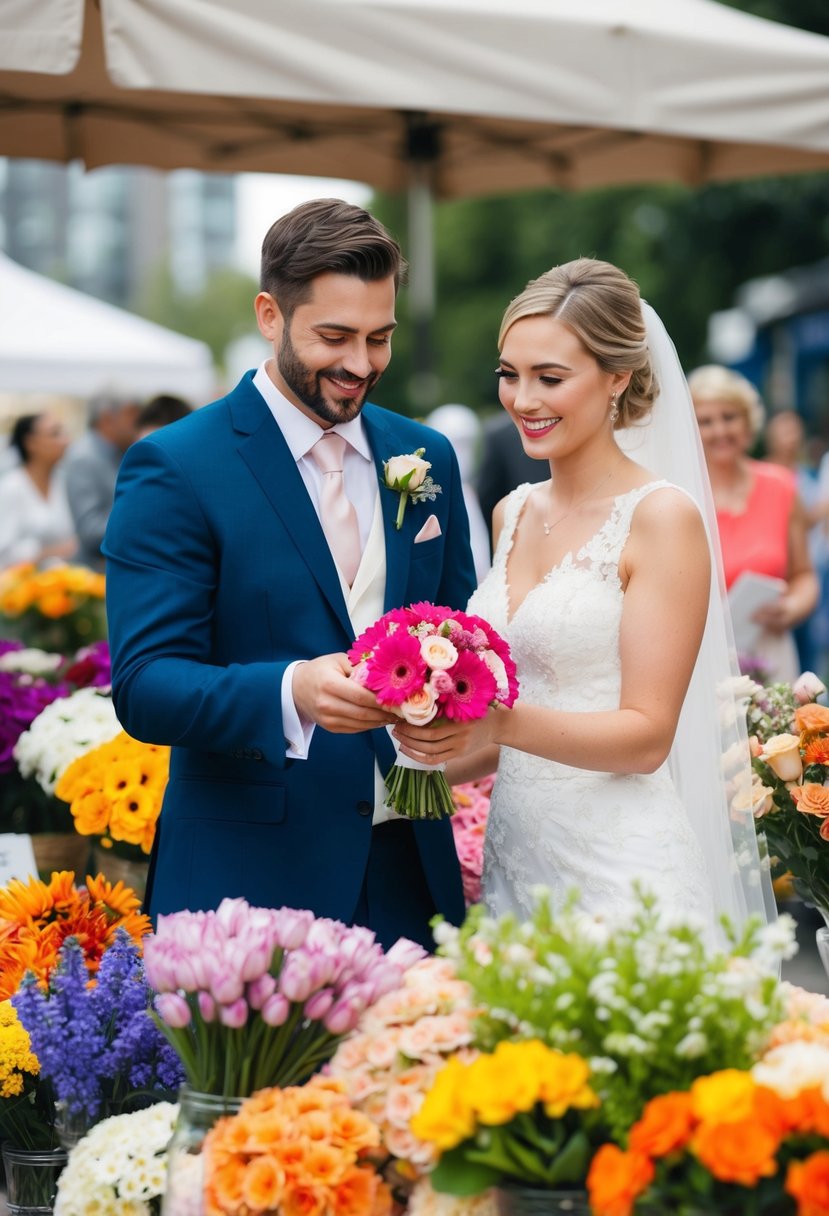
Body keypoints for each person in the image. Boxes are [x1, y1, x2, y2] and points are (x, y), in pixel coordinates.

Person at [103, 198, 476, 951]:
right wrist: (292, 691)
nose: (361, 364)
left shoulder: (425, 455)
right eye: (334, 336)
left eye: (380, 338)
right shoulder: (177, 465)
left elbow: (461, 627)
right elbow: (145, 685)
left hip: (413, 869)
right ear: (270, 316)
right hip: (252, 883)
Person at [394, 257, 772, 936]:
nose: (522, 400)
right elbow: (513, 733)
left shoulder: (661, 517)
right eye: (509, 375)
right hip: (516, 860)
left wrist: (502, 724)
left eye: (550, 378)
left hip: (620, 869)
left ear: (617, 377)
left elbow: (645, 736)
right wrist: (410, 767)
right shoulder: (510, 511)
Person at [689, 367, 818, 684]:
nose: (719, 430)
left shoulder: (781, 486)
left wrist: (790, 608)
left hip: (769, 651)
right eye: (706, 421)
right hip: (701, 657)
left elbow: (804, 575)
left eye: (729, 417)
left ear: (748, 423)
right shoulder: (680, 496)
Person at [764, 408, 829, 675]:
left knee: (811, 643)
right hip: (777, 574)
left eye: (794, 430)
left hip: (813, 568)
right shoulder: (764, 473)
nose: (790, 437)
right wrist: (815, 514)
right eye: (784, 430)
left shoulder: (809, 475)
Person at [63, 391, 141, 571]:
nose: (137, 422)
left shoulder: (118, 452)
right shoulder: (83, 457)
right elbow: (90, 531)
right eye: (131, 415)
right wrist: (143, 520)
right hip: (96, 576)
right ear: (107, 419)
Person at [0, 412, 76, 569]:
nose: (65, 441)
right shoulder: (11, 487)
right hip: (18, 587)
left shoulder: (64, 481)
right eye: (54, 434)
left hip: (60, 585)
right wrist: (49, 552)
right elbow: (4, 551)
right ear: (30, 442)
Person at [424, 402, 490, 581]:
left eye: (466, 443)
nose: (461, 452)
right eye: (455, 443)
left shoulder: (472, 492)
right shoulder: (427, 496)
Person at [476, 409, 547, 551]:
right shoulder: (505, 510)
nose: (522, 403)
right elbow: (487, 501)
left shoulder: (499, 432)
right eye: (511, 384)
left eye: (552, 384)